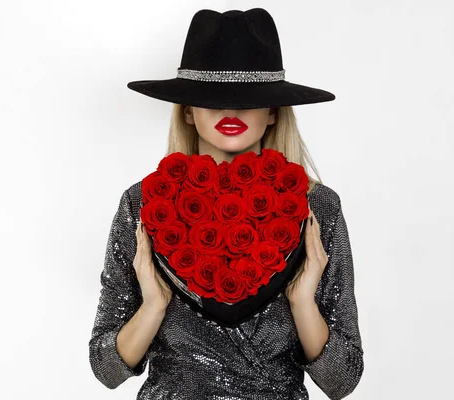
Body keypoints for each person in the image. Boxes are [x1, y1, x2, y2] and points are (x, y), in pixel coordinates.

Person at [88, 7, 364, 400]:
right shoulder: (142, 203)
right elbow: (106, 369)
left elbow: (343, 381)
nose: (230, 111)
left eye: (249, 99)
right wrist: (153, 304)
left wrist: (302, 300)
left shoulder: (317, 208)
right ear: (187, 110)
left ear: (273, 111)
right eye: (211, 97)